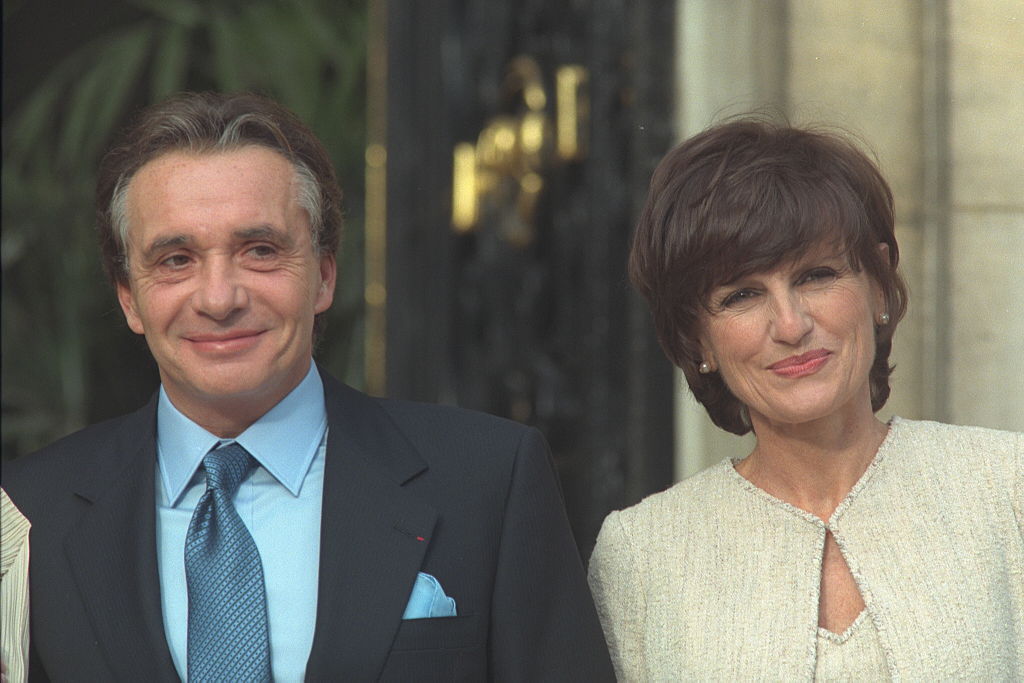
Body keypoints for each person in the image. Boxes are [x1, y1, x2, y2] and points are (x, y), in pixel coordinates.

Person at [3, 91, 614, 681]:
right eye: (176, 260)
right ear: (129, 298)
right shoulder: (28, 513)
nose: (219, 298)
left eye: (260, 250)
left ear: (323, 277)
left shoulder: (489, 479)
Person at [587, 118, 1024, 679]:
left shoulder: (1007, 488)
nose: (791, 325)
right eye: (742, 294)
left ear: (879, 287)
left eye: (817, 275)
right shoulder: (642, 555)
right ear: (697, 340)